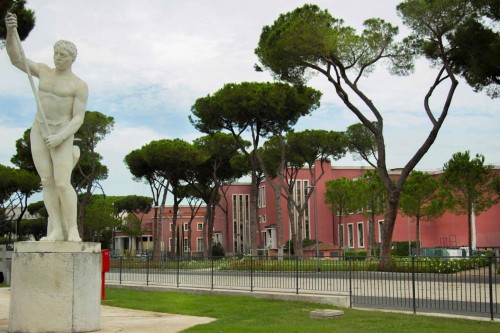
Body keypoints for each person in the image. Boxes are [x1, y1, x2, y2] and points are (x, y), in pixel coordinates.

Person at [5, 13, 88, 242]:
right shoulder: (44, 71)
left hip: (61, 132)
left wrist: (61, 137)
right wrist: (11, 32)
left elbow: (78, 119)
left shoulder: (79, 85)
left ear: (72, 58)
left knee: (62, 182)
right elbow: (16, 59)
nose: (57, 57)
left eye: (63, 55)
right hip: (39, 129)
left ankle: (72, 229)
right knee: (47, 181)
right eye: (56, 53)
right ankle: (56, 230)